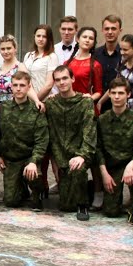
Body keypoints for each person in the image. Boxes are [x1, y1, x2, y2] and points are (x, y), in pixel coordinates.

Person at [45, 65, 98, 220]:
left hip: (80, 154)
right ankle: (87, 187)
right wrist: (55, 162)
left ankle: (83, 205)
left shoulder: (85, 103)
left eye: (65, 78)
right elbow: (51, 135)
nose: (62, 82)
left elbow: (89, 133)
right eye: (58, 80)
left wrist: (82, 156)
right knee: (66, 206)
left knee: (78, 170)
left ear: (73, 79)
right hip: (61, 156)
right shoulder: (51, 104)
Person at [97, 78, 133, 224]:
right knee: (110, 212)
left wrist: (130, 166)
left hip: (131, 165)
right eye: (113, 93)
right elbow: (98, 148)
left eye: (121, 93)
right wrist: (104, 173)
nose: (117, 97)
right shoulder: (102, 120)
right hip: (112, 168)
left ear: (128, 95)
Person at [0, 71, 49, 209]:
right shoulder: (4, 107)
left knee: (34, 177)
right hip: (11, 160)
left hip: (28, 159)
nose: (18, 88)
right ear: (11, 87)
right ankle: (21, 187)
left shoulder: (36, 110)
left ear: (29, 87)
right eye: (15, 85)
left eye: (22, 85)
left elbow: (41, 141)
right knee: (11, 201)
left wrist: (33, 162)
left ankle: (38, 191)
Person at [66, 26, 105, 108]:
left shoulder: (95, 65)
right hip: (68, 105)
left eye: (91, 38)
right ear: (77, 39)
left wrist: (90, 98)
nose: (87, 40)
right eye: (84, 37)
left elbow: (99, 91)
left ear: (94, 42)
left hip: (85, 107)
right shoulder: (67, 63)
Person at [0, 35, 32, 111]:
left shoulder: (20, 67)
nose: (6, 52)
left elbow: (29, 88)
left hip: (13, 109)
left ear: (15, 49)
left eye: (9, 48)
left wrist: (36, 101)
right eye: (2, 49)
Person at [23, 24, 57, 102]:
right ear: (34, 37)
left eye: (44, 36)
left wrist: (36, 101)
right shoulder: (28, 56)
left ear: (49, 39)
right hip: (26, 101)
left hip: (43, 101)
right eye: (38, 36)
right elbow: (24, 79)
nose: (40, 39)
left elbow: (49, 84)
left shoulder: (52, 57)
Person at [95, 15, 124, 84]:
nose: (110, 32)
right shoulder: (95, 54)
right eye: (106, 29)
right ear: (102, 30)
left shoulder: (125, 54)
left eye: (113, 29)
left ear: (120, 31)